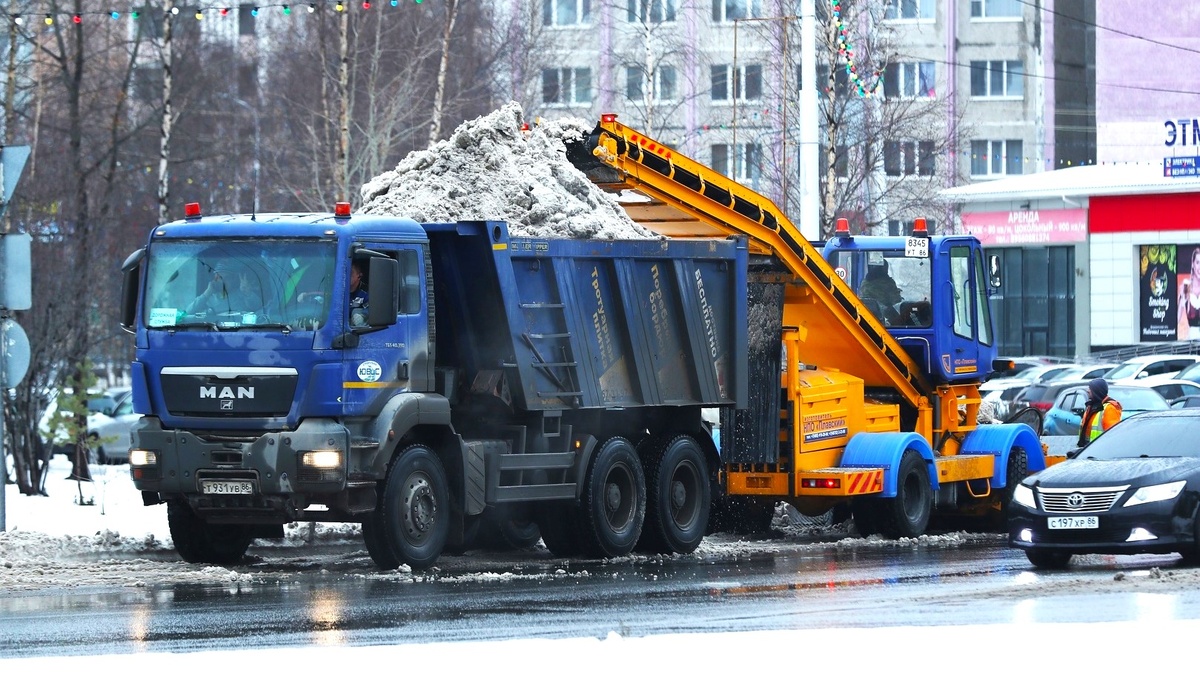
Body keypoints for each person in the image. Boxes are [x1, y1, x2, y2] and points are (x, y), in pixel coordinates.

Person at [1074, 378, 1122, 453]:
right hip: (1087, 450)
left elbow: (1113, 435)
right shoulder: (1091, 406)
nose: (1088, 390)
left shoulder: (1109, 408)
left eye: (1090, 388)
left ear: (1096, 390)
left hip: (1100, 452)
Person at [348, 260, 369, 326]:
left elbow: (372, 310)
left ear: (359, 276)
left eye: (351, 273)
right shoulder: (338, 290)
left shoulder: (367, 292)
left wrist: (362, 316)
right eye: (346, 272)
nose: (347, 275)